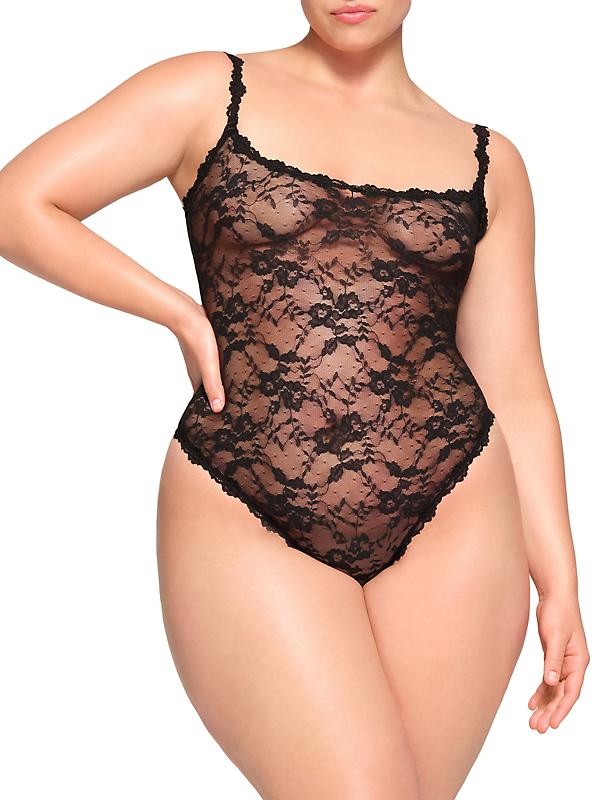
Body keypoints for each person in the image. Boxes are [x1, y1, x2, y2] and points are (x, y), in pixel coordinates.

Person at [0, 2, 590, 798]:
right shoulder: (208, 92)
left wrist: (560, 581)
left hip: (456, 514)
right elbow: (18, 202)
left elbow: (515, 381)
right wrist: (179, 312)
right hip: (245, 499)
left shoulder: (491, 161)